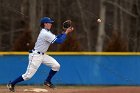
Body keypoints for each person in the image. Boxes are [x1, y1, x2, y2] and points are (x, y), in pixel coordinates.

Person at [7, 17, 74, 92]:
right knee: (28, 76)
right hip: (35, 56)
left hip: (43, 55)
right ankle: (12, 84)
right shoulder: (45, 33)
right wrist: (66, 32)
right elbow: (59, 41)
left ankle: (47, 81)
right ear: (45, 24)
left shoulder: (47, 32)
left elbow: (57, 37)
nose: (51, 24)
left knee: (56, 66)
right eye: (49, 22)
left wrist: (64, 32)